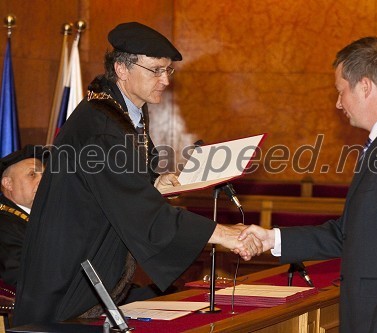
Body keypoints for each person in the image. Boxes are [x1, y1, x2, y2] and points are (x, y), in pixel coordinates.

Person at [13, 22, 261, 325]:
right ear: (122, 68)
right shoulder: (100, 128)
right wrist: (224, 234)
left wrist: (154, 181)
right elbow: (139, 210)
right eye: (156, 70)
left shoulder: (121, 111)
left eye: (168, 71)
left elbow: (120, 182)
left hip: (87, 267)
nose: (165, 80)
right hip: (67, 283)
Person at [240, 37, 377, 333]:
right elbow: (347, 234)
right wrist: (272, 239)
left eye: (340, 91)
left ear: (364, 86)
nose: (338, 103)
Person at [0, 145, 44, 287]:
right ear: (8, 183)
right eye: (32, 174)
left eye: (45, 175)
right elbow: (19, 277)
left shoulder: (47, 215)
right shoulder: (4, 225)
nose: (43, 181)